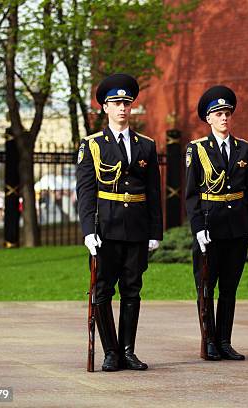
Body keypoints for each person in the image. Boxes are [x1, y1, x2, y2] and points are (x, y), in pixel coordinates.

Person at [76, 73, 163, 371]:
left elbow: (153, 191)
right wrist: (88, 230)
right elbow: (86, 192)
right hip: (106, 228)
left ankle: (128, 350)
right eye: (115, 103)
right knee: (102, 290)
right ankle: (110, 351)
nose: (122, 108)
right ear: (105, 108)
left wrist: (155, 232)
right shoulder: (92, 145)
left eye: (126, 103)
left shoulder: (146, 145)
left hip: (137, 227)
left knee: (132, 289)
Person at [185, 85, 248, 361]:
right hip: (209, 226)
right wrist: (198, 228)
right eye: (218, 113)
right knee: (206, 285)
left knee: (229, 287)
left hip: (236, 227)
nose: (224, 117)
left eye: (227, 112)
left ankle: (225, 341)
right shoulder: (197, 149)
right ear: (209, 119)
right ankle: (209, 341)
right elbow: (191, 195)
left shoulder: (244, 149)